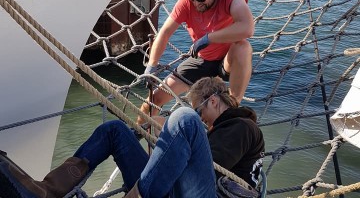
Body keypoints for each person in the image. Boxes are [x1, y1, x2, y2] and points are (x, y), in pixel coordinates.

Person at [0, 78, 264, 198]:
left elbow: (201, 167)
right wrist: (167, 144)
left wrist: (171, 139)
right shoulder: (220, 130)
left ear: (214, 101)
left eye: (200, 109)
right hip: (172, 190)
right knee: (114, 130)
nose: (202, 117)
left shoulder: (242, 127)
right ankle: (49, 190)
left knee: (184, 119)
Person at [138, 0, 254, 124]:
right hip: (202, 60)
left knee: (243, 47)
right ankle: (137, 136)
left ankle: (232, 112)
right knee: (151, 101)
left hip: (227, 61)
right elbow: (164, 33)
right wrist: (151, 65)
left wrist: (208, 38)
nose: (194, 3)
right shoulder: (188, 0)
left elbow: (247, 28)